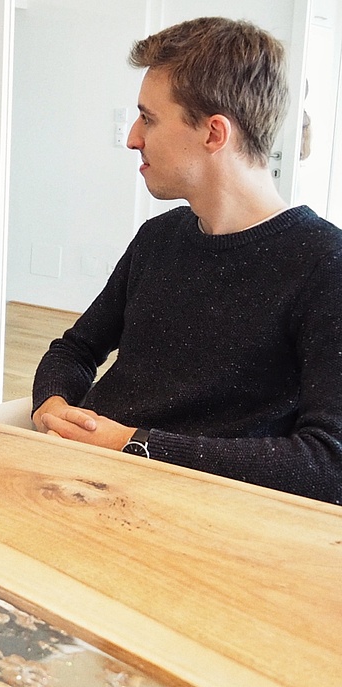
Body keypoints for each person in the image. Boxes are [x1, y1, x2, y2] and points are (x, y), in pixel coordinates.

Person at [31, 17, 342, 505]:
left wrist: (134, 445)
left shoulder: (325, 263)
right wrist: (51, 405)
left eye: (148, 118)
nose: (132, 137)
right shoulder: (159, 237)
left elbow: (328, 465)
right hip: (79, 480)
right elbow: (74, 350)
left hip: (185, 514)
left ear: (214, 133)